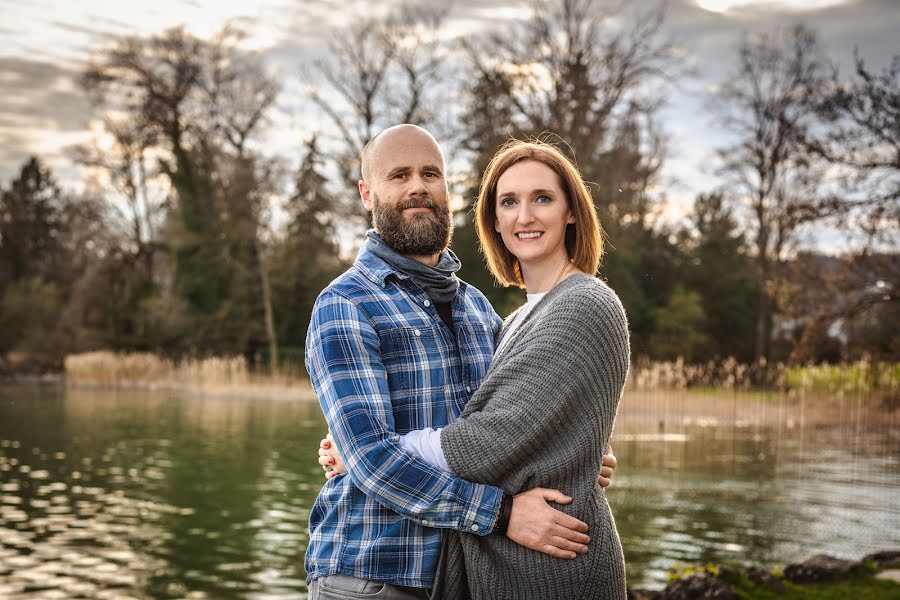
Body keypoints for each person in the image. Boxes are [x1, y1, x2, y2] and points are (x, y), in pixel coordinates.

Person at [304, 125, 617, 600]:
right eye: (399, 175)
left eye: (431, 173)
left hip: (464, 575)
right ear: (368, 194)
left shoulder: (477, 309)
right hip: (374, 574)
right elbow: (371, 462)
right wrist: (503, 514)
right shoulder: (346, 305)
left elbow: (516, 421)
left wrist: (579, 452)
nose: (418, 186)